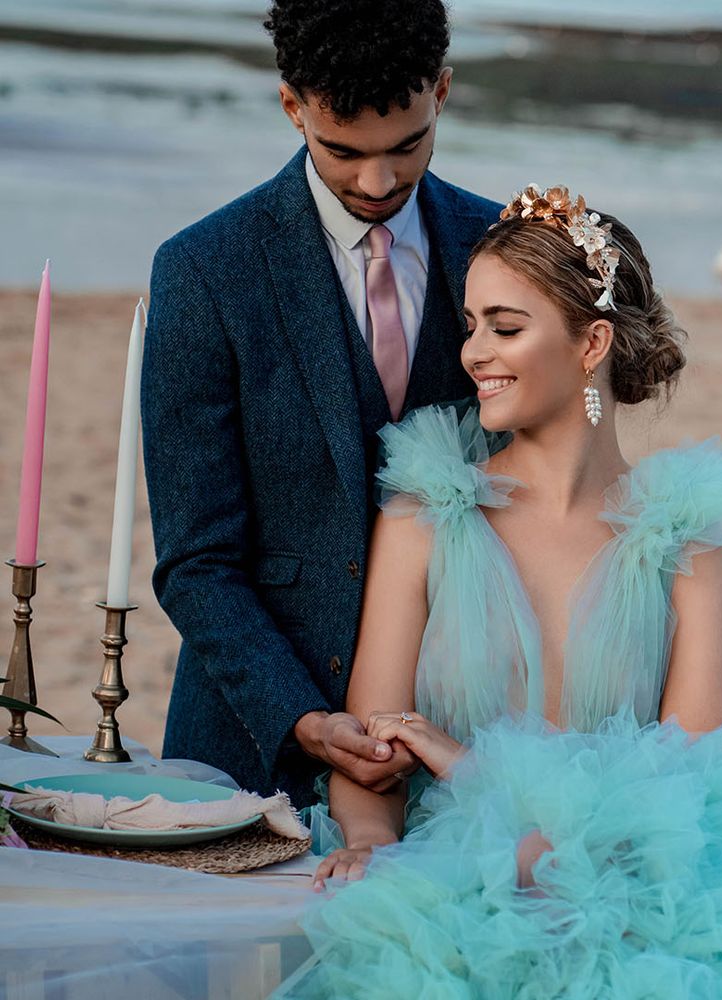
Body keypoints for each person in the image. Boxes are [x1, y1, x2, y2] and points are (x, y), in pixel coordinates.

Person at [276, 186, 722, 997]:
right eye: (472, 324)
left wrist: (469, 766)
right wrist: (372, 844)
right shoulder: (427, 513)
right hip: (452, 877)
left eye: (505, 327)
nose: (474, 351)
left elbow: (693, 783)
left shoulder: (681, 535)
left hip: (635, 880)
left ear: (592, 343)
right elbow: (374, 750)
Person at [140, 0, 501, 806]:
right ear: (291, 106)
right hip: (250, 745)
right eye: (343, 151)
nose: (378, 181)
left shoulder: (502, 245)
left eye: (407, 146)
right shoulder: (204, 271)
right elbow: (196, 560)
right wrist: (302, 717)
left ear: (441, 92)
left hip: (456, 738)